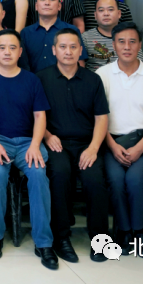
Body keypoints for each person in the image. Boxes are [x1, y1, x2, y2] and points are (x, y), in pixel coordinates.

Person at [0, 29, 57, 270]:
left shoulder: (32, 80)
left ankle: (43, 242)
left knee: (38, 175)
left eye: (12, 47)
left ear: (20, 52)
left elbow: (40, 116)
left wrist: (35, 145)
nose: (7, 52)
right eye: (2, 47)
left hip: (27, 141)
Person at [96, 21, 143, 258]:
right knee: (116, 181)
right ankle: (123, 231)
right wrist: (112, 145)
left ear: (139, 45)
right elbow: (97, 117)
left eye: (132, 41)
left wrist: (139, 148)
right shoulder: (102, 75)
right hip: (112, 142)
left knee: (137, 181)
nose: (127, 47)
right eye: (121, 42)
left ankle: (140, 232)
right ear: (113, 45)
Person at [36, 28, 110, 263]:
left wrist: (94, 148)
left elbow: (101, 118)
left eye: (73, 47)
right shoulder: (41, 78)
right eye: (63, 47)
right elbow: (35, 115)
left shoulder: (93, 79)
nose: (68, 51)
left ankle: (100, 239)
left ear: (80, 50)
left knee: (94, 179)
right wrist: (47, 136)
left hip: (87, 144)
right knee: (59, 174)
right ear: (54, 50)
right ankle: (61, 238)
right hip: (56, 143)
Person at [21, 0, 87, 73]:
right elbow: (21, 64)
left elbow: (80, 62)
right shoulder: (26, 33)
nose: (47, 3)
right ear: (36, 6)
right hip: (32, 80)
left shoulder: (71, 30)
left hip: (64, 80)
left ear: (59, 6)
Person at [82, 0, 143, 71]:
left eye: (110, 10)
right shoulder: (85, 38)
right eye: (101, 10)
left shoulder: (129, 36)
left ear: (119, 13)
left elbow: (142, 66)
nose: (106, 14)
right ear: (95, 15)